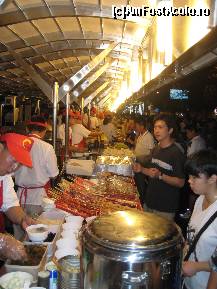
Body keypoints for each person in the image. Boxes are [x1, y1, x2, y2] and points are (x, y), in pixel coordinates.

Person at [133, 114, 185, 220]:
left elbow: (180, 182)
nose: (156, 130)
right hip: (149, 202)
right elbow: (152, 172)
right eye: (155, 127)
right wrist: (141, 169)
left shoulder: (176, 153)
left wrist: (161, 175)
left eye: (161, 127)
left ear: (170, 130)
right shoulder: (156, 149)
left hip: (165, 208)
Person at [182, 150, 217, 289]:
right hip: (188, 280)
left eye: (194, 177)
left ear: (212, 178)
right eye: (189, 176)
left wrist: (197, 266)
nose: (189, 180)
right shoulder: (199, 199)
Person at [0, 133, 35, 260]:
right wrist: (2, 241)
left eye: (19, 164)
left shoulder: (4, 176)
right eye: (14, 160)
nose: (14, 168)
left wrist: (22, 218)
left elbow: (9, 204)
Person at [14, 116, 59, 207]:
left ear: (27, 129)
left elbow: (10, 173)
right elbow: (53, 174)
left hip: (19, 198)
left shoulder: (16, 144)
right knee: (37, 221)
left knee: (20, 221)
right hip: (39, 199)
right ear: (44, 131)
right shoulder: (47, 147)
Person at [134, 117, 155, 205]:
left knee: (141, 183)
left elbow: (151, 153)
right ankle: (140, 198)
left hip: (143, 164)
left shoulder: (149, 136)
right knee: (138, 182)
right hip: (138, 161)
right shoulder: (140, 135)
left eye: (137, 126)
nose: (136, 128)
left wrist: (143, 160)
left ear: (142, 126)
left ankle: (142, 201)